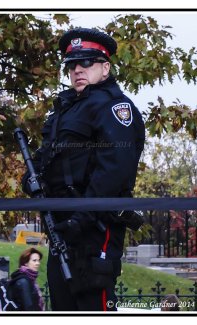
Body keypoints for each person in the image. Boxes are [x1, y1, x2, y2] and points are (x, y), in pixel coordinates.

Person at [22, 27, 145, 311]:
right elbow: (46, 157)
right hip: (61, 226)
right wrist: (30, 178)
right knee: (63, 303)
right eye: (72, 65)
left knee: (92, 303)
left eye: (86, 63)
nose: (78, 69)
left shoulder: (115, 107)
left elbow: (114, 170)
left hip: (95, 224)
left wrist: (82, 218)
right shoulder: (64, 109)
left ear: (105, 68)